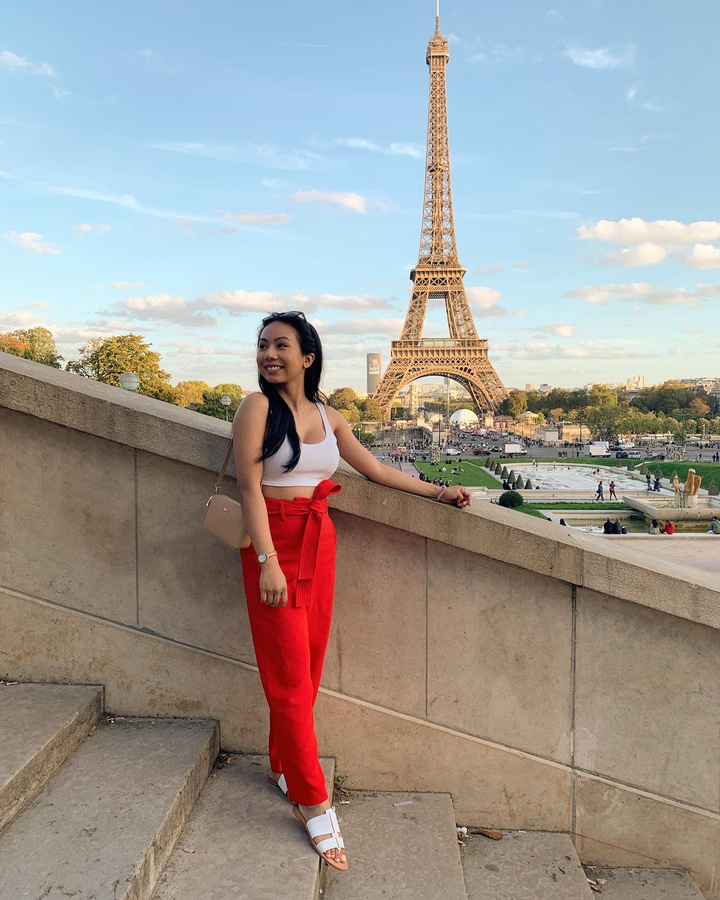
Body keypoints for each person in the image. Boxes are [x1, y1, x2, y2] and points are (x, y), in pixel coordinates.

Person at [235, 310, 472, 872]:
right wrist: (267, 560)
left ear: (308, 357)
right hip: (273, 544)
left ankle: (282, 762)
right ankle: (312, 802)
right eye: (263, 345)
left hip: (319, 542)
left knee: (309, 667)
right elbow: (249, 484)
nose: (269, 354)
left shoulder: (328, 414)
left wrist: (439, 492)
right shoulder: (256, 408)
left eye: (281, 345)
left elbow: (376, 471)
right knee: (289, 675)